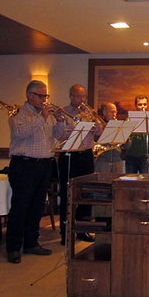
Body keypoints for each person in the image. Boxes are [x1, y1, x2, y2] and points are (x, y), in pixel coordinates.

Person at [6, 80, 65, 264]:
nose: (44, 99)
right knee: (20, 207)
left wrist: (61, 121)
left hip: (44, 165)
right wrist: (42, 117)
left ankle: (32, 242)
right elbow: (19, 133)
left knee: (37, 207)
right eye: (41, 96)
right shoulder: (18, 112)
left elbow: (59, 136)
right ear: (30, 95)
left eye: (45, 96)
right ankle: (14, 247)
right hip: (24, 165)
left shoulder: (46, 115)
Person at [57, 84, 102, 244]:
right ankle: (65, 233)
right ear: (71, 96)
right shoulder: (63, 112)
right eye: (78, 96)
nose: (82, 100)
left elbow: (100, 134)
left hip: (86, 155)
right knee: (67, 194)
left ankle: (82, 230)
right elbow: (59, 134)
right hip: (69, 156)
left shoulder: (89, 113)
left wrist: (95, 120)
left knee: (86, 193)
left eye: (84, 96)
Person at [123, 95, 149, 173]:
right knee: (130, 180)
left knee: (146, 181)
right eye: (140, 104)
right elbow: (124, 136)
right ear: (136, 106)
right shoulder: (129, 119)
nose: (142, 106)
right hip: (131, 155)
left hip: (146, 155)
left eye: (144, 104)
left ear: (147, 105)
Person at [94, 102, 124, 173]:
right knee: (102, 182)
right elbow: (96, 139)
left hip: (117, 160)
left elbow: (127, 146)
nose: (114, 114)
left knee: (117, 182)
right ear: (104, 112)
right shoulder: (98, 125)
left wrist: (125, 137)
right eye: (112, 112)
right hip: (103, 161)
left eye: (115, 112)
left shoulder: (120, 125)